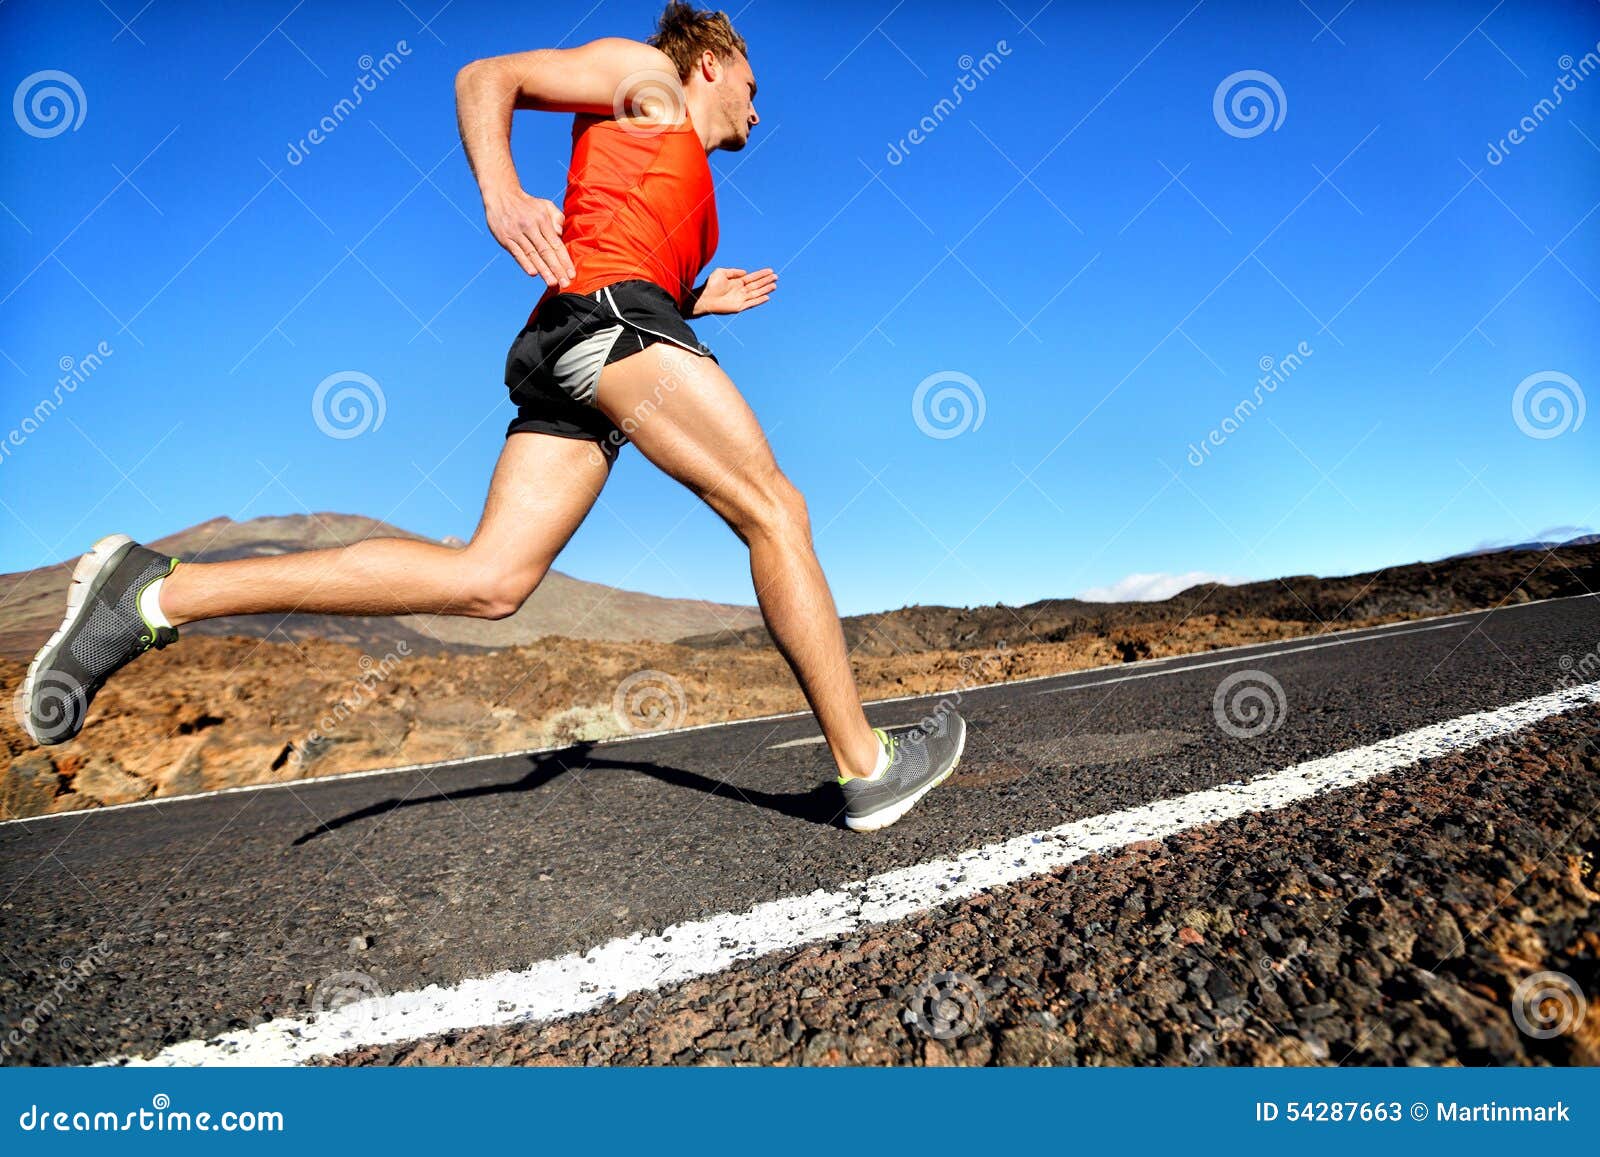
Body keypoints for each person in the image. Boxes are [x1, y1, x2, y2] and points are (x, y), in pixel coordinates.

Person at [19, 2, 964, 832]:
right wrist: (503, 193)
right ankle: (869, 768)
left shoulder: (676, 166)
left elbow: (621, 229)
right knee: (775, 510)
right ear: (709, 60)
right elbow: (488, 74)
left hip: (588, 338)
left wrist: (692, 296)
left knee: (490, 579)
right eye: (754, 85)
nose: (759, 109)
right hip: (611, 321)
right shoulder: (652, 81)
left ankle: (153, 593)